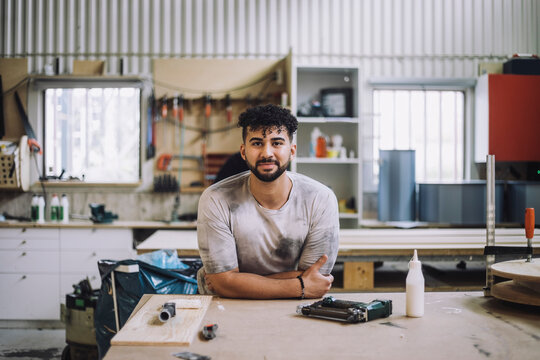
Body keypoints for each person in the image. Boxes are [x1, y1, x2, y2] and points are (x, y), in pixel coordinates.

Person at [197, 104, 339, 299]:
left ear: (292, 150)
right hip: (225, 305)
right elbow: (223, 284)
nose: (267, 153)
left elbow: (316, 277)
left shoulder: (321, 199)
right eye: (256, 143)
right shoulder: (216, 198)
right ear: (243, 151)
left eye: (277, 143)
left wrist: (236, 281)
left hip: (293, 309)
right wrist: (300, 285)